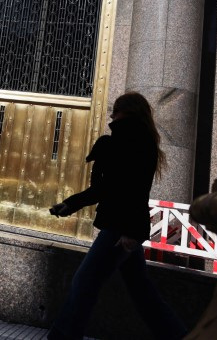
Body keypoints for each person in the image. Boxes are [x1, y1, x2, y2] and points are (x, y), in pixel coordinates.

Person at [47, 92, 187, 340]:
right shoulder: (138, 140)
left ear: (126, 113)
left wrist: (131, 232)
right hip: (126, 228)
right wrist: (71, 204)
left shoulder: (129, 140)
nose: (112, 116)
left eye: (115, 111)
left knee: (84, 282)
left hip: (120, 229)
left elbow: (123, 189)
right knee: (142, 293)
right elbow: (119, 187)